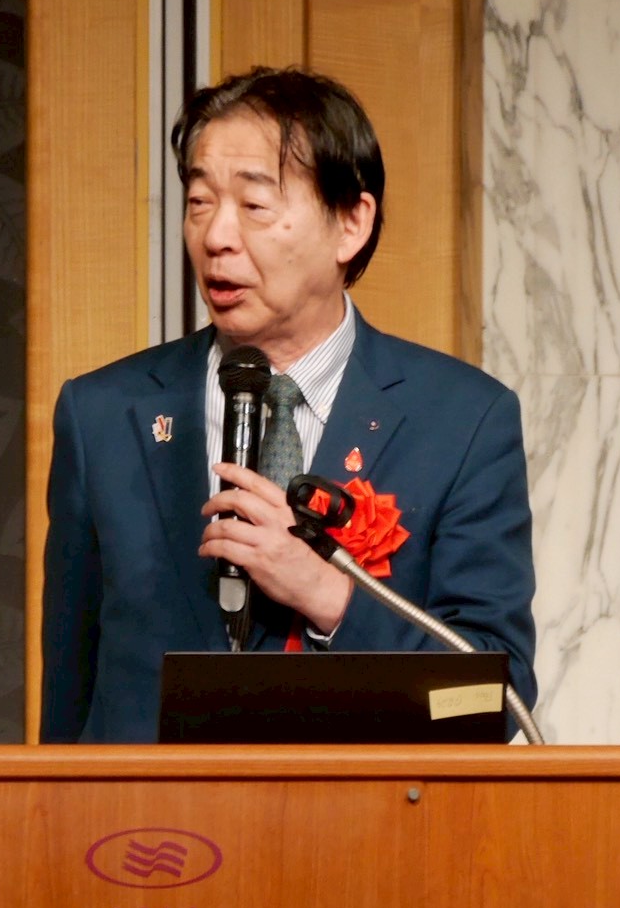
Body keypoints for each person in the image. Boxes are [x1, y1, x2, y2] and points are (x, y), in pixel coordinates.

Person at [41, 66, 536, 742]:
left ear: (350, 224)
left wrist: (328, 596)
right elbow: (68, 704)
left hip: (363, 807)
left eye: (254, 205)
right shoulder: (101, 414)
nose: (216, 236)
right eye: (198, 202)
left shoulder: (461, 421)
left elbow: (493, 702)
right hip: (151, 811)